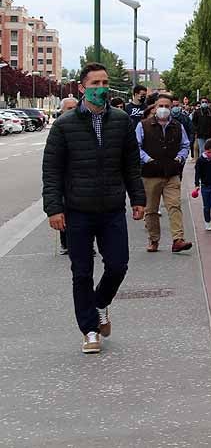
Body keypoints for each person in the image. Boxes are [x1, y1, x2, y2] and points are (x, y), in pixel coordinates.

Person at [42, 63, 146, 354]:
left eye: (105, 82)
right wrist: (54, 208)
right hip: (77, 210)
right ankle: (89, 329)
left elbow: (131, 164)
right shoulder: (64, 125)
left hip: (112, 207)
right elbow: (51, 170)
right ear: (82, 87)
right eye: (95, 83)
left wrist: (138, 199)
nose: (101, 88)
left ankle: (100, 302)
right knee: (81, 272)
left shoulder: (122, 121)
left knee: (117, 265)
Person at [137, 92, 193, 253]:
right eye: (160, 106)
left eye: (167, 106)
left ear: (172, 107)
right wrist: (147, 159)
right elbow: (137, 146)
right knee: (151, 210)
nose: (163, 109)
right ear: (155, 107)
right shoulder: (143, 125)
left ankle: (178, 239)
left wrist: (180, 158)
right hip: (150, 174)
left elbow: (185, 144)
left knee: (174, 206)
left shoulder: (177, 126)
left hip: (171, 173)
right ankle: (153, 240)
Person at [56, 96, 79, 255]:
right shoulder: (58, 128)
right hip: (64, 178)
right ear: (62, 111)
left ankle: (85, 245)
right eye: (69, 109)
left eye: (74, 108)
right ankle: (66, 243)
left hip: (81, 178)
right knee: (64, 209)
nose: (72, 112)